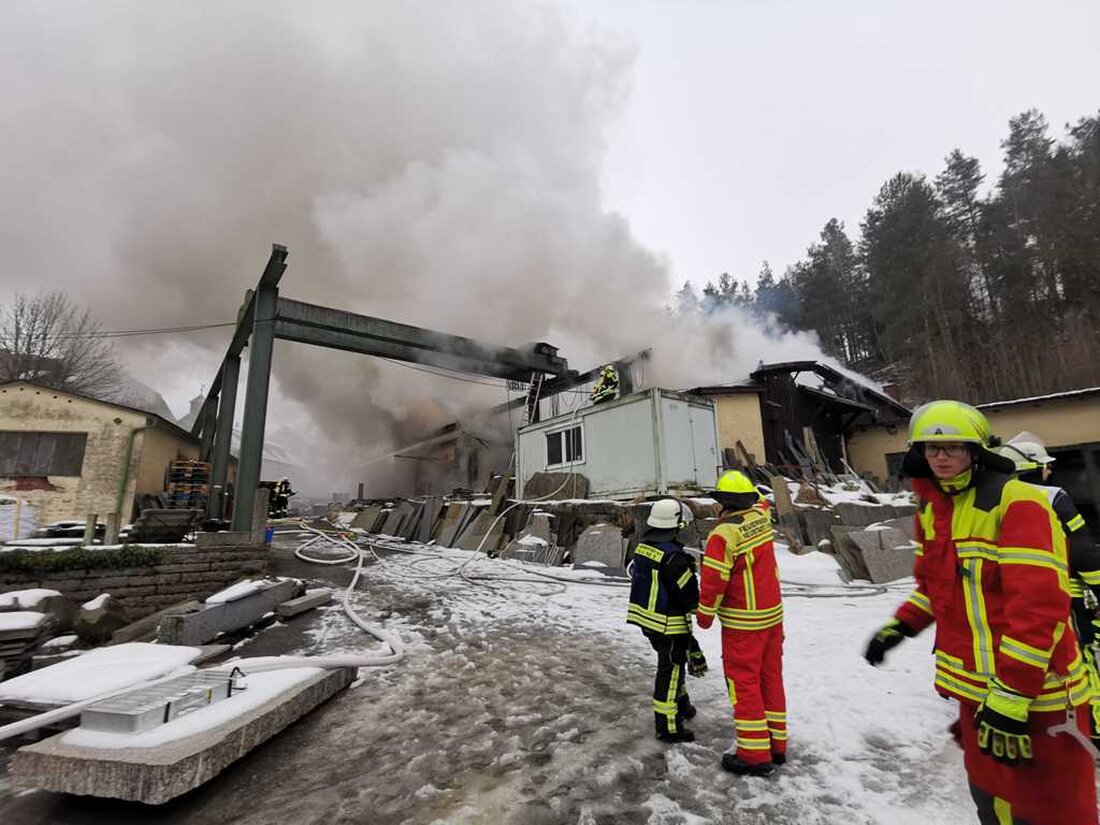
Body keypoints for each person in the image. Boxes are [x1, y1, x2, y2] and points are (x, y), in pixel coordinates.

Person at [864, 401, 1096, 825]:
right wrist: (903, 624)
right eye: (932, 449)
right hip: (977, 696)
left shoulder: (1017, 503)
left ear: (977, 451)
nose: (941, 457)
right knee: (993, 802)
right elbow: (938, 586)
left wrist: (1012, 694)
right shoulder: (934, 510)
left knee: (1054, 809)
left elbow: (1039, 609)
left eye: (953, 446)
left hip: (1038, 698)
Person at [997, 432, 1100, 746]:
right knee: (1080, 658)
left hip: (1009, 596)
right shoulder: (1052, 496)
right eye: (1045, 466)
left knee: (1024, 656)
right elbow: (1082, 551)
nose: (1049, 471)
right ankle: (1093, 725)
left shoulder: (995, 497)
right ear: (1033, 467)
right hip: (1061, 595)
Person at [696, 470, 786, 776]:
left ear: (722, 503)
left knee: (744, 685)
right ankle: (777, 745)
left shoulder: (723, 535)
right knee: (770, 679)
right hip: (772, 618)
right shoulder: (761, 517)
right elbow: (762, 501)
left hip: (743, 624)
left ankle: (753, 754)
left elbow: (713, 580)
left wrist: (705, 615)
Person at [626, 498, 707, 743]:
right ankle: (668, 726)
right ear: (676, 525)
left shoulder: (642, 548)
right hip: (668, 624)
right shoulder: (675, 559)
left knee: (674, 665)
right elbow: (689, 596)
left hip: (647, 621)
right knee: (670, 670)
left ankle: (682, 704)